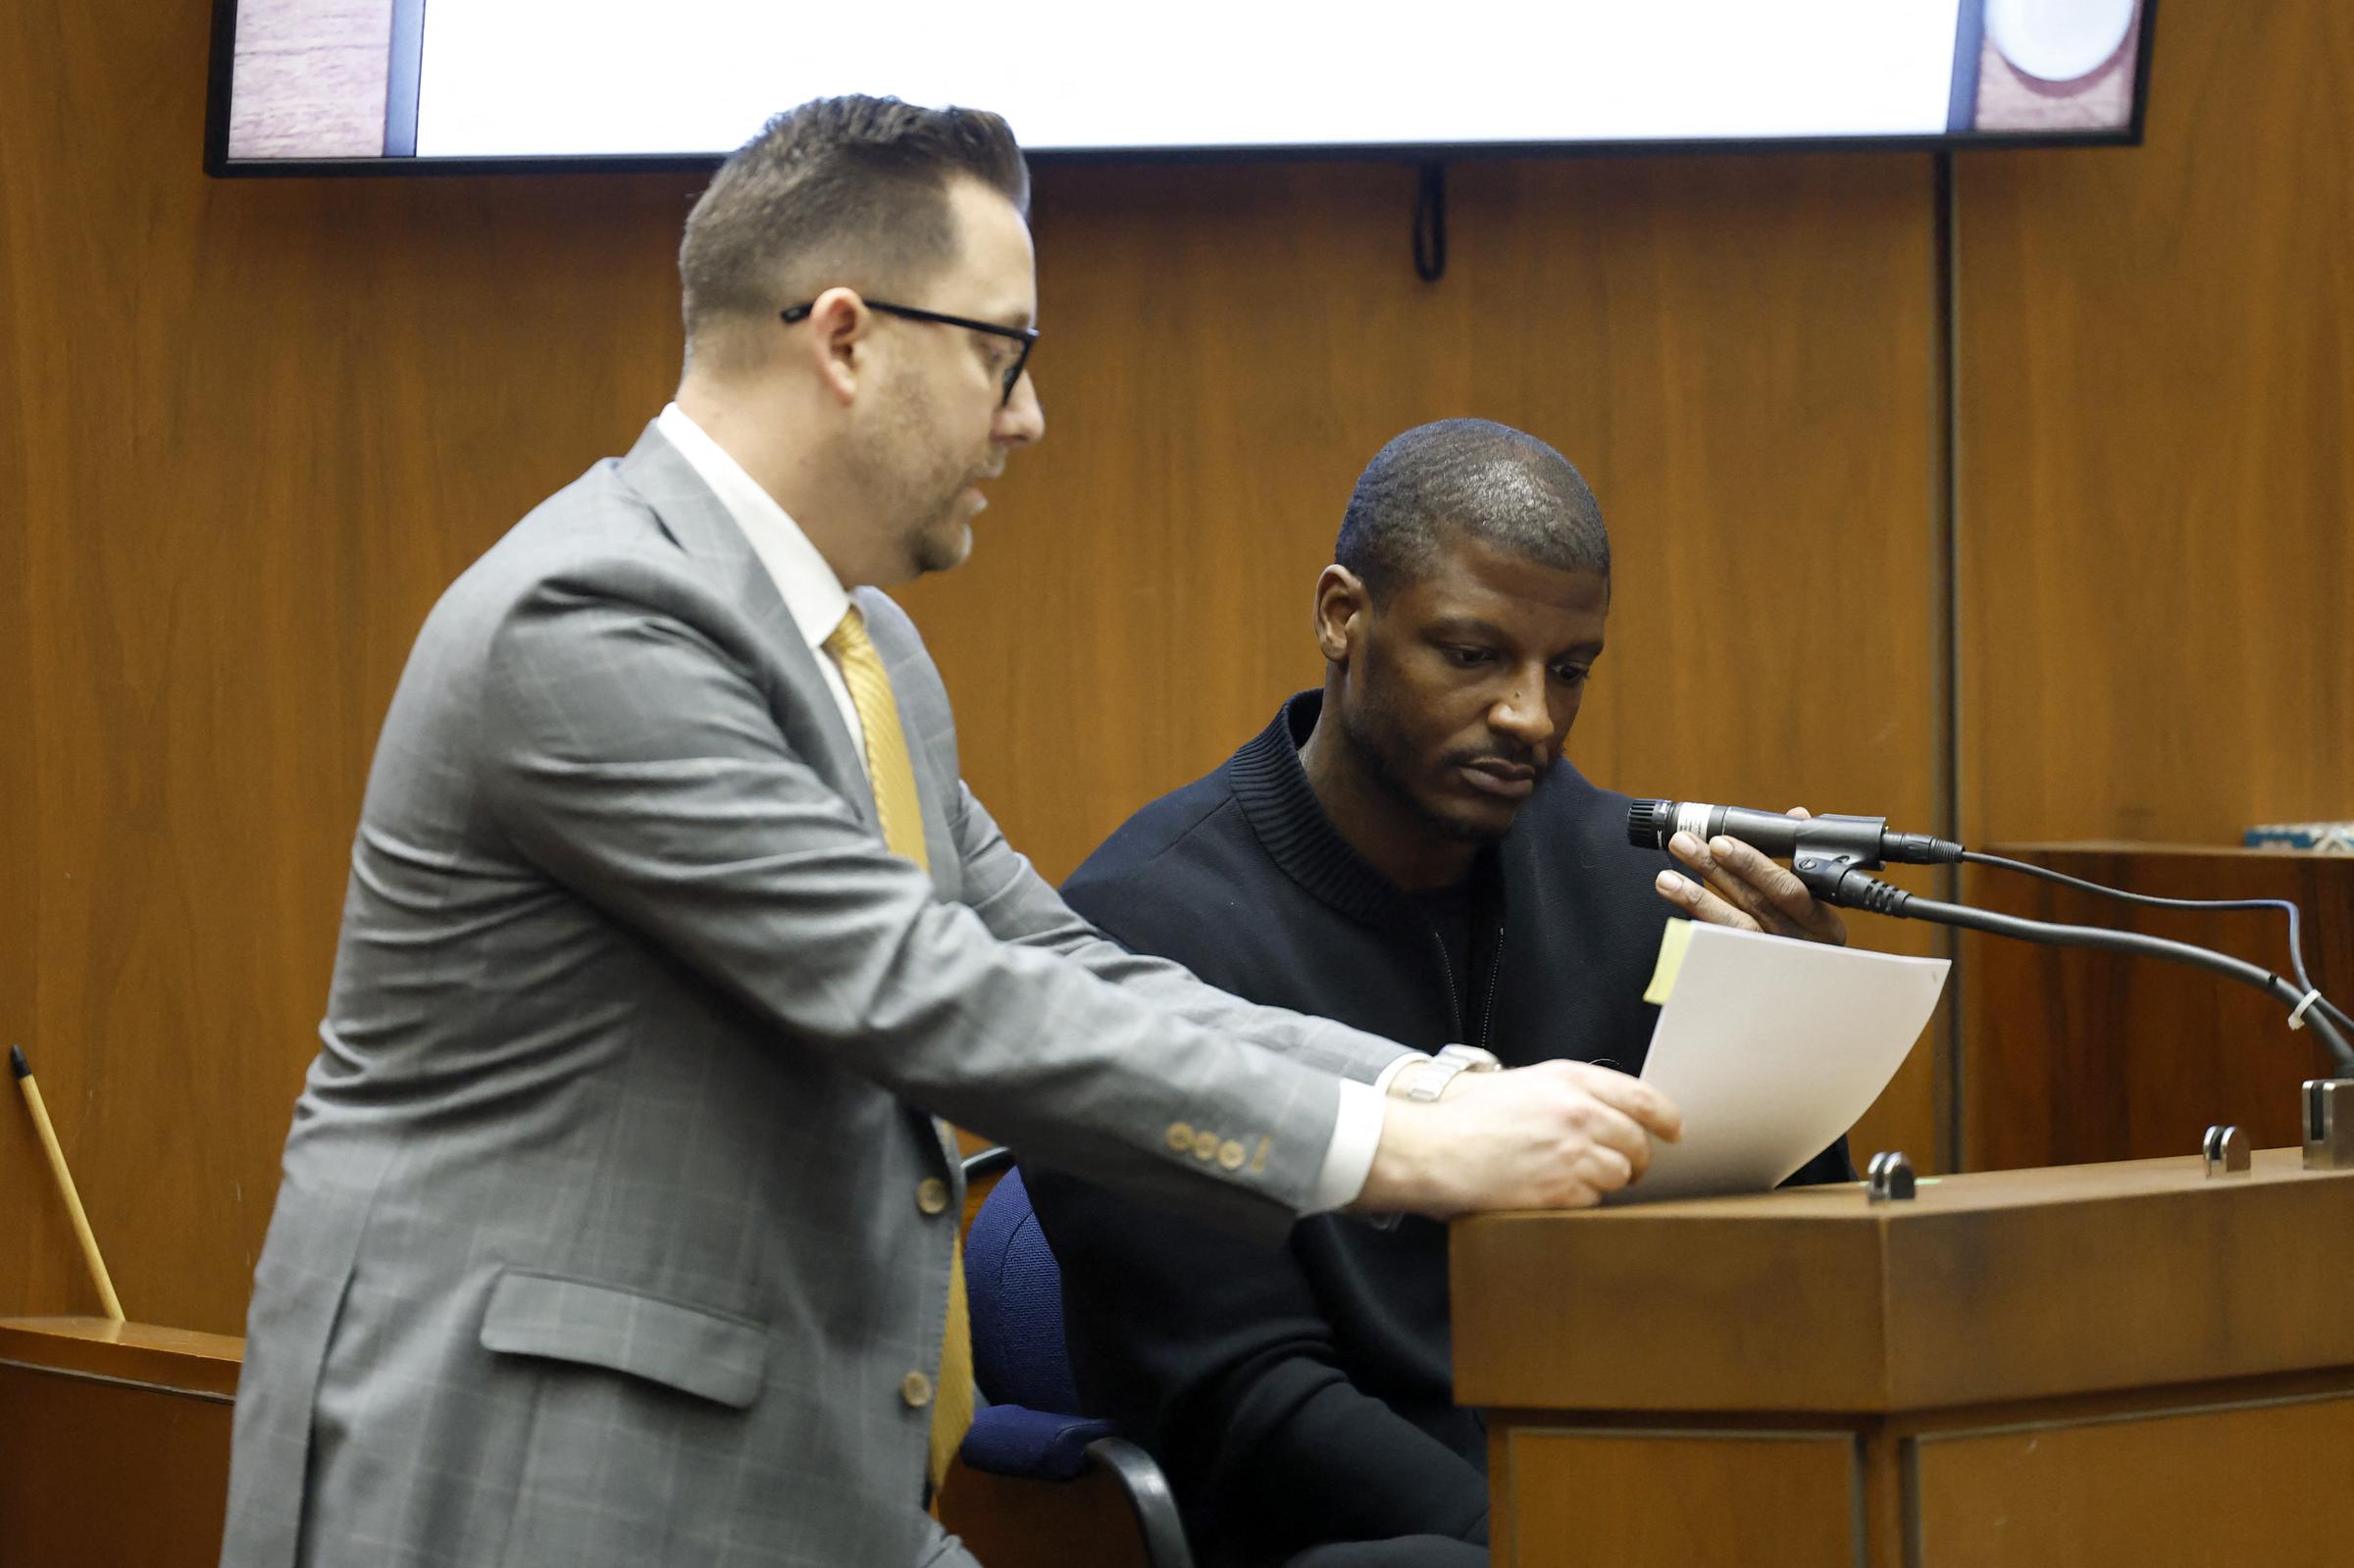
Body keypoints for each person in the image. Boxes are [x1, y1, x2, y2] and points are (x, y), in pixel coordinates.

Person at [217, 104, 1688, 1568]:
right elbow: (927, 990)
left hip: (800, 1482)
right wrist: (1394, 1151)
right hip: (535, 1483)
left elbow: (1065, 961)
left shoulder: (871, 657)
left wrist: (1434, 1085)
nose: (1027, 415)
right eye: (1003, 352)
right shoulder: (593, 615)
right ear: (848, 337)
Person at [1025, 419, 1853, 1568]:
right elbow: (1243, 1403)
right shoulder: (1146, 926)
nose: (1531, 717)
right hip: (1352, 1541)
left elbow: (1777, 1278)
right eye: (1473, 656)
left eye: (1569, 671)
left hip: (1646, 1502)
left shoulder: (1635, 885)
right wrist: (1552, 1540)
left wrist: (1793, 1022)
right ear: (1342, 616)